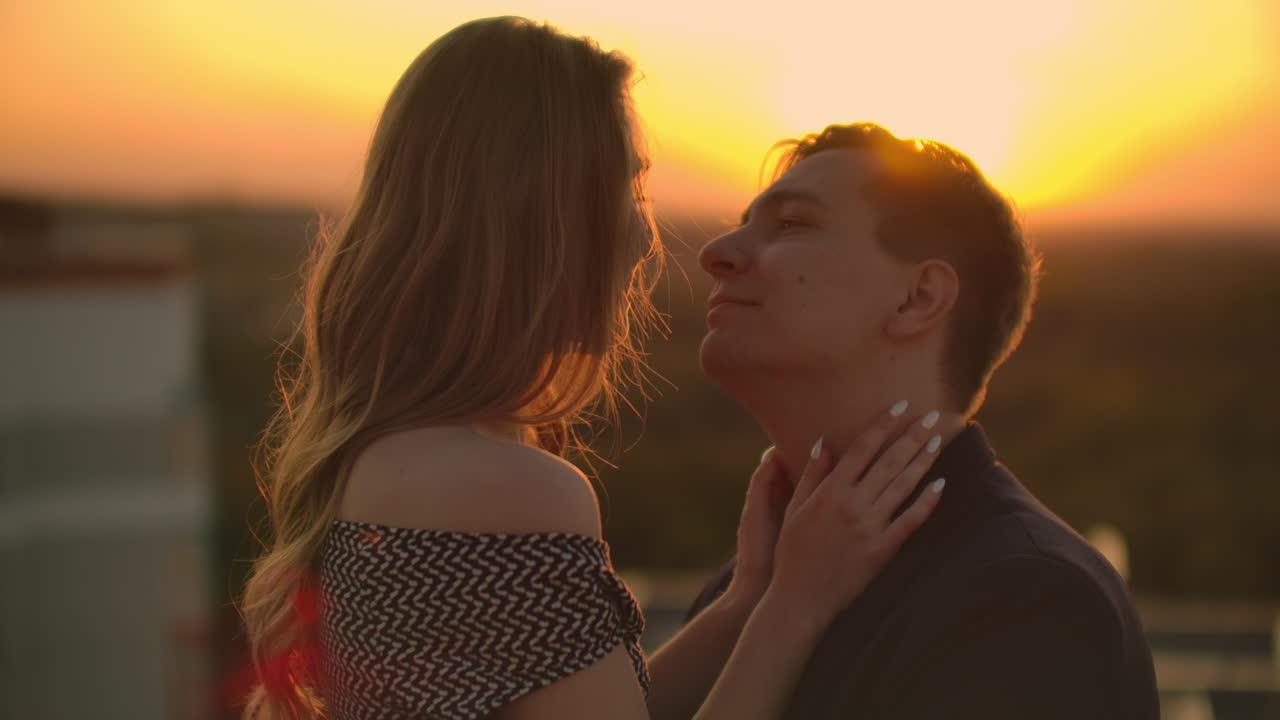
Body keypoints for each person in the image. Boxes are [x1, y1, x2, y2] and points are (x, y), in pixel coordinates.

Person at [237, 19, 948, 720]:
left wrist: (747, 599)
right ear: (541, 215)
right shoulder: (506, 489)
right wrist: (800, 603)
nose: (645, 237)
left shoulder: (391, 454)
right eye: (629, 193)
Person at [688, 122, 1161, 719]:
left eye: (792, 223)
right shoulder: (749, 590)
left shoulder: (1028, 598)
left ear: (918, 299)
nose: (717, 253)